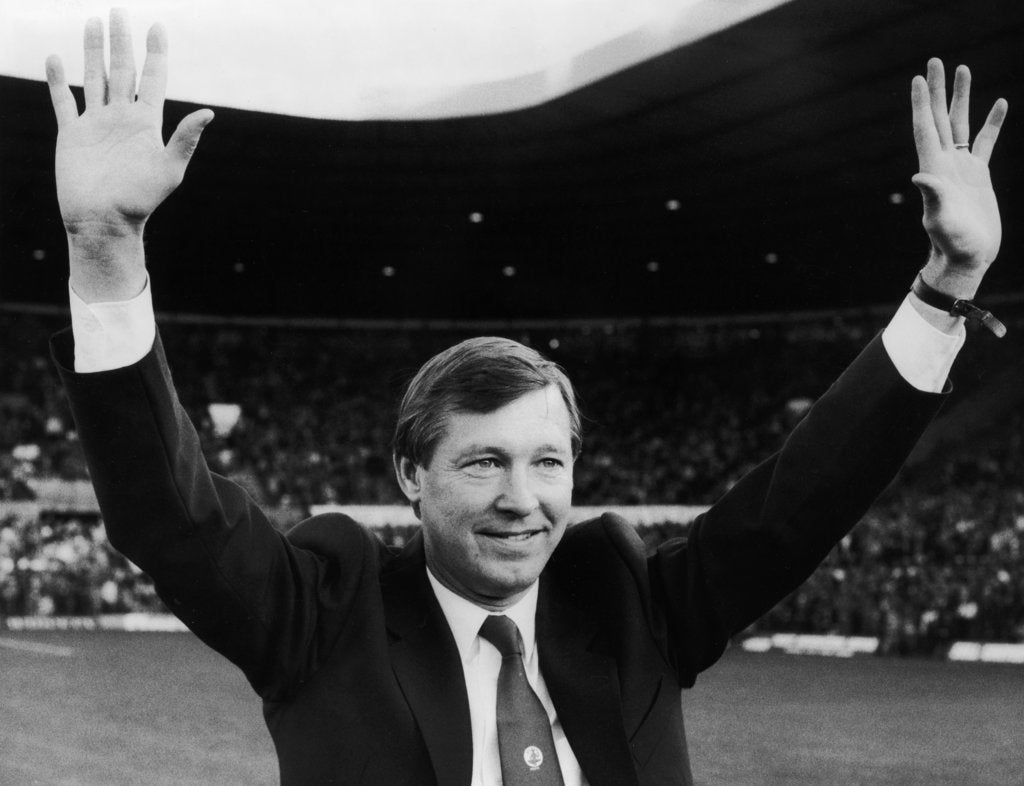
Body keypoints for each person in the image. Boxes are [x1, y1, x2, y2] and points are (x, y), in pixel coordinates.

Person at [44, 9, 1008, 786]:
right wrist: (105, 250)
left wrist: (945, 289)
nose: (523, 495)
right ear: (409, 475)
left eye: (548, 461)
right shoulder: (320, 616)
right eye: (484, 460)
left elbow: (804, 498)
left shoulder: (632, 606)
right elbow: (171, 519)